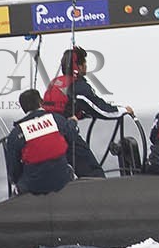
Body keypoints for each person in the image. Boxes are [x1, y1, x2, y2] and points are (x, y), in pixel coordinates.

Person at [39, 46, 133, 177]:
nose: (86, 66)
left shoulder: (56, 82)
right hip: (64, 133)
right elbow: (100, 109)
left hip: (45, 131)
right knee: (94, 173)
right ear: (79, 66)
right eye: (85, 63)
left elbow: (63, 108)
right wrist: (122, 110)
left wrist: (83, 114)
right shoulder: (78, 86)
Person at [4, 88, 84, 195]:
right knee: (68, 169)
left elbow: (13, 172)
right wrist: (73, 121)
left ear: (23, 109)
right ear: (41, 102)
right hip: (62, 179)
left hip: (32, 186)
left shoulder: (16, 133)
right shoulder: (56, 119)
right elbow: (70, 132)